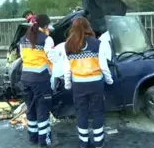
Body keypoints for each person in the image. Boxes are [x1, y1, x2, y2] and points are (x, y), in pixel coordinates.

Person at [62, 17, 113, 148]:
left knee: (81, 113)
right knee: (97, 112)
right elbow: (103, 66)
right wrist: (109, 79)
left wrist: (67, 84)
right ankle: (99, 142)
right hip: (96, 84)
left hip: (78, 85)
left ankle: (83, 142)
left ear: (73, 28)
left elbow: (67, 69)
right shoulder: (97, 43)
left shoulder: (67, 45)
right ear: (87, 26)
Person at [19, 14, 57, 147]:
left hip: (25, 78)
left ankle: (33, 137)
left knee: (31, 108)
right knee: (42, 109)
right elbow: (53, 58)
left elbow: (23, 57)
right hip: (40, 80)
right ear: (46, 26)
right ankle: (44, 140)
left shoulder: (23, 38)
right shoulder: (47, 39)